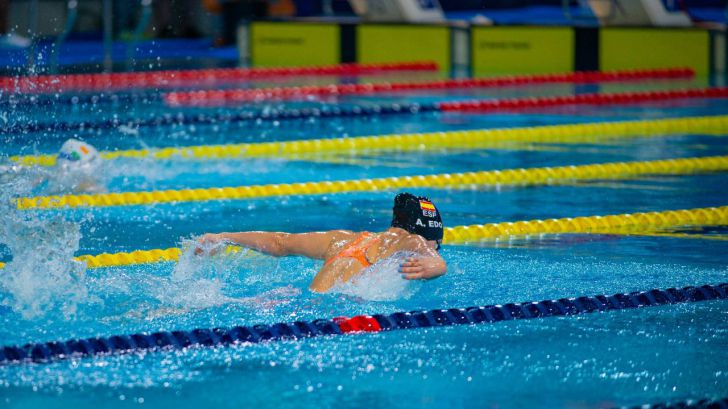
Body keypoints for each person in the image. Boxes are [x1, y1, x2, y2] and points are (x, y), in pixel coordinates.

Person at [196, 192, 447, 292]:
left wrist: (223, 237)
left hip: (304, 300)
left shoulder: (343, 239)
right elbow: (432, 258)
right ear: (429, 236)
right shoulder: (412, 241)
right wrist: (436, 266)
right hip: (334, 314)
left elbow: (279, 242)